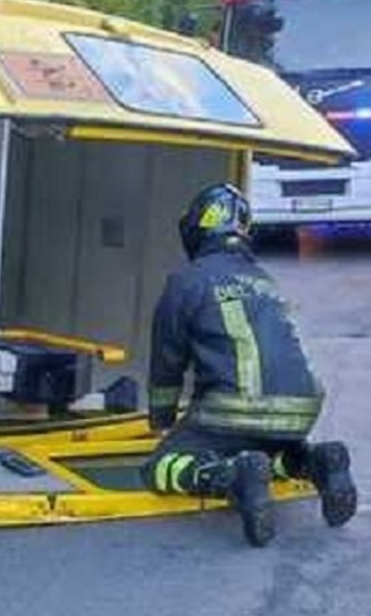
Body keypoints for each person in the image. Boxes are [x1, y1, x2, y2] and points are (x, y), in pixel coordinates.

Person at [143, 183, 357, 547]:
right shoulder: (264, 280)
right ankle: (316, 461)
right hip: (300, 412)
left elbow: (168, 359)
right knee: (267, 454)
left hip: (236, 410)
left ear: (198, 227)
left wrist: (162, 421)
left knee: (158, 468)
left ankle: (230, 478)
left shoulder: (186, 281)